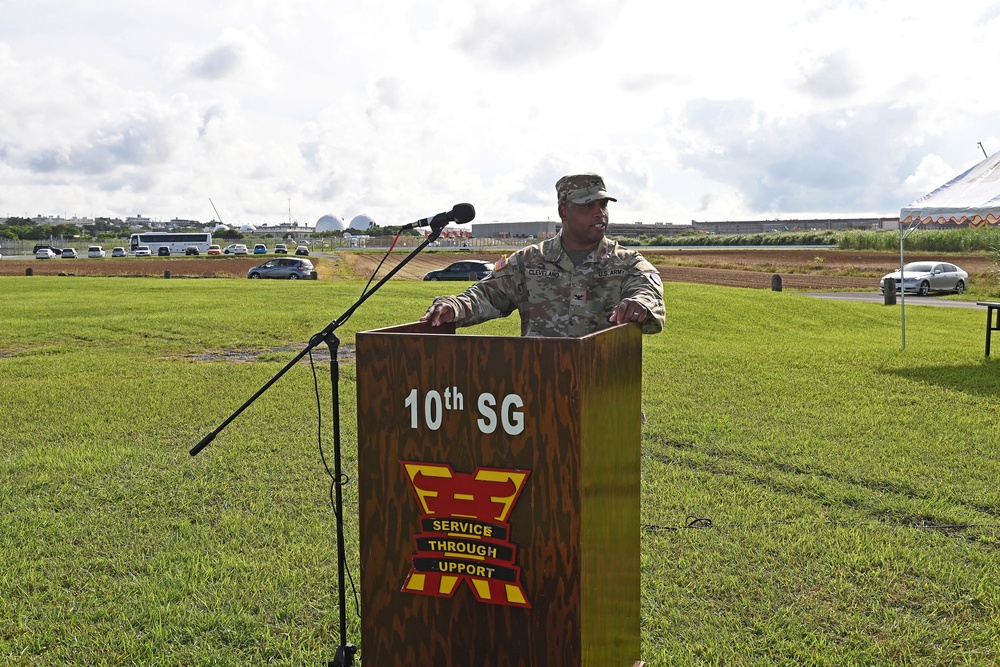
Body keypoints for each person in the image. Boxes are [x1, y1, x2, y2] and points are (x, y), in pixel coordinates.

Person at [420, 173, 665, 337]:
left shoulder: (628, 262)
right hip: (541, 394)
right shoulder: (529, 261)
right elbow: (486, 294)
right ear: (563, 211)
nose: (599, 213)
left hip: (606, 398)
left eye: (603, 206)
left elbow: (648, 294)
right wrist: (454, 305)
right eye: (587, 206)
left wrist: (640, 305)